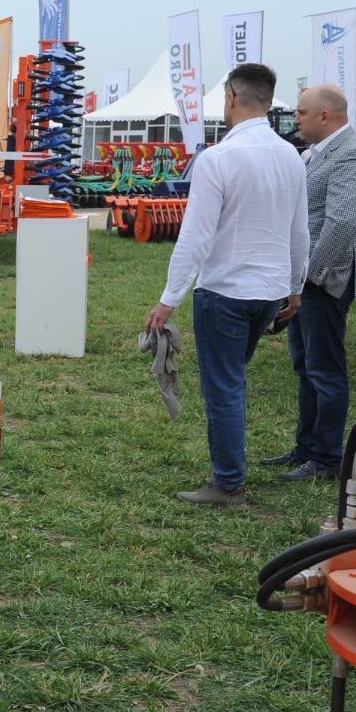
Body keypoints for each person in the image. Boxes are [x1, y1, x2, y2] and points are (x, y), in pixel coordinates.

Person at [142, 62, 308, 506]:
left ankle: (229, 483)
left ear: (231, 98)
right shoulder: (291, 156)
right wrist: (295, 286)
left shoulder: (218, 158)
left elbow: (196, 236)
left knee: (225, 387)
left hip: (226, 291)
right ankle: (229, 474)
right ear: (269, 102)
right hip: (269, 293)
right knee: (232, 380)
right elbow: (299, 231)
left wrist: (168, 299)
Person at [262, 85, 356, 481]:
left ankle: (327, 459)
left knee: (324, 370)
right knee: (305, 366)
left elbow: (341, 224)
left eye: (301, 112)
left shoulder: (352, 156)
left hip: (324, 282)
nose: (296, 119)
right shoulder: (325, 152)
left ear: (324, 116)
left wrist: (308, 278)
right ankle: (307, 448)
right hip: (307, 281)